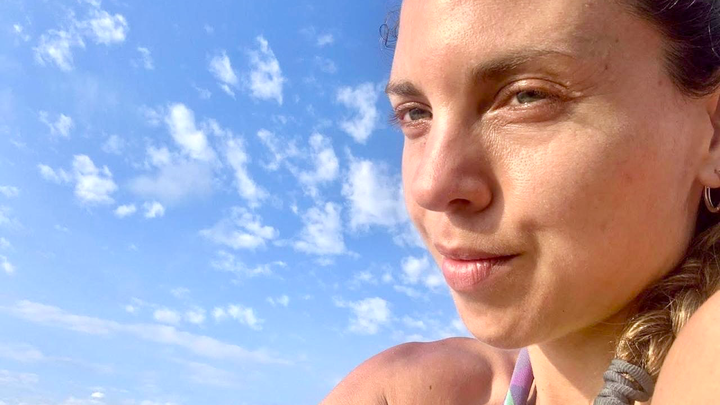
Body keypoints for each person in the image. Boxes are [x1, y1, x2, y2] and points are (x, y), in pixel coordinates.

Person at [321, 0, 720, 404]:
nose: (431, 186)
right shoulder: (409, 391)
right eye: (415, 114)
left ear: (715, 133)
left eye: (527, 96)